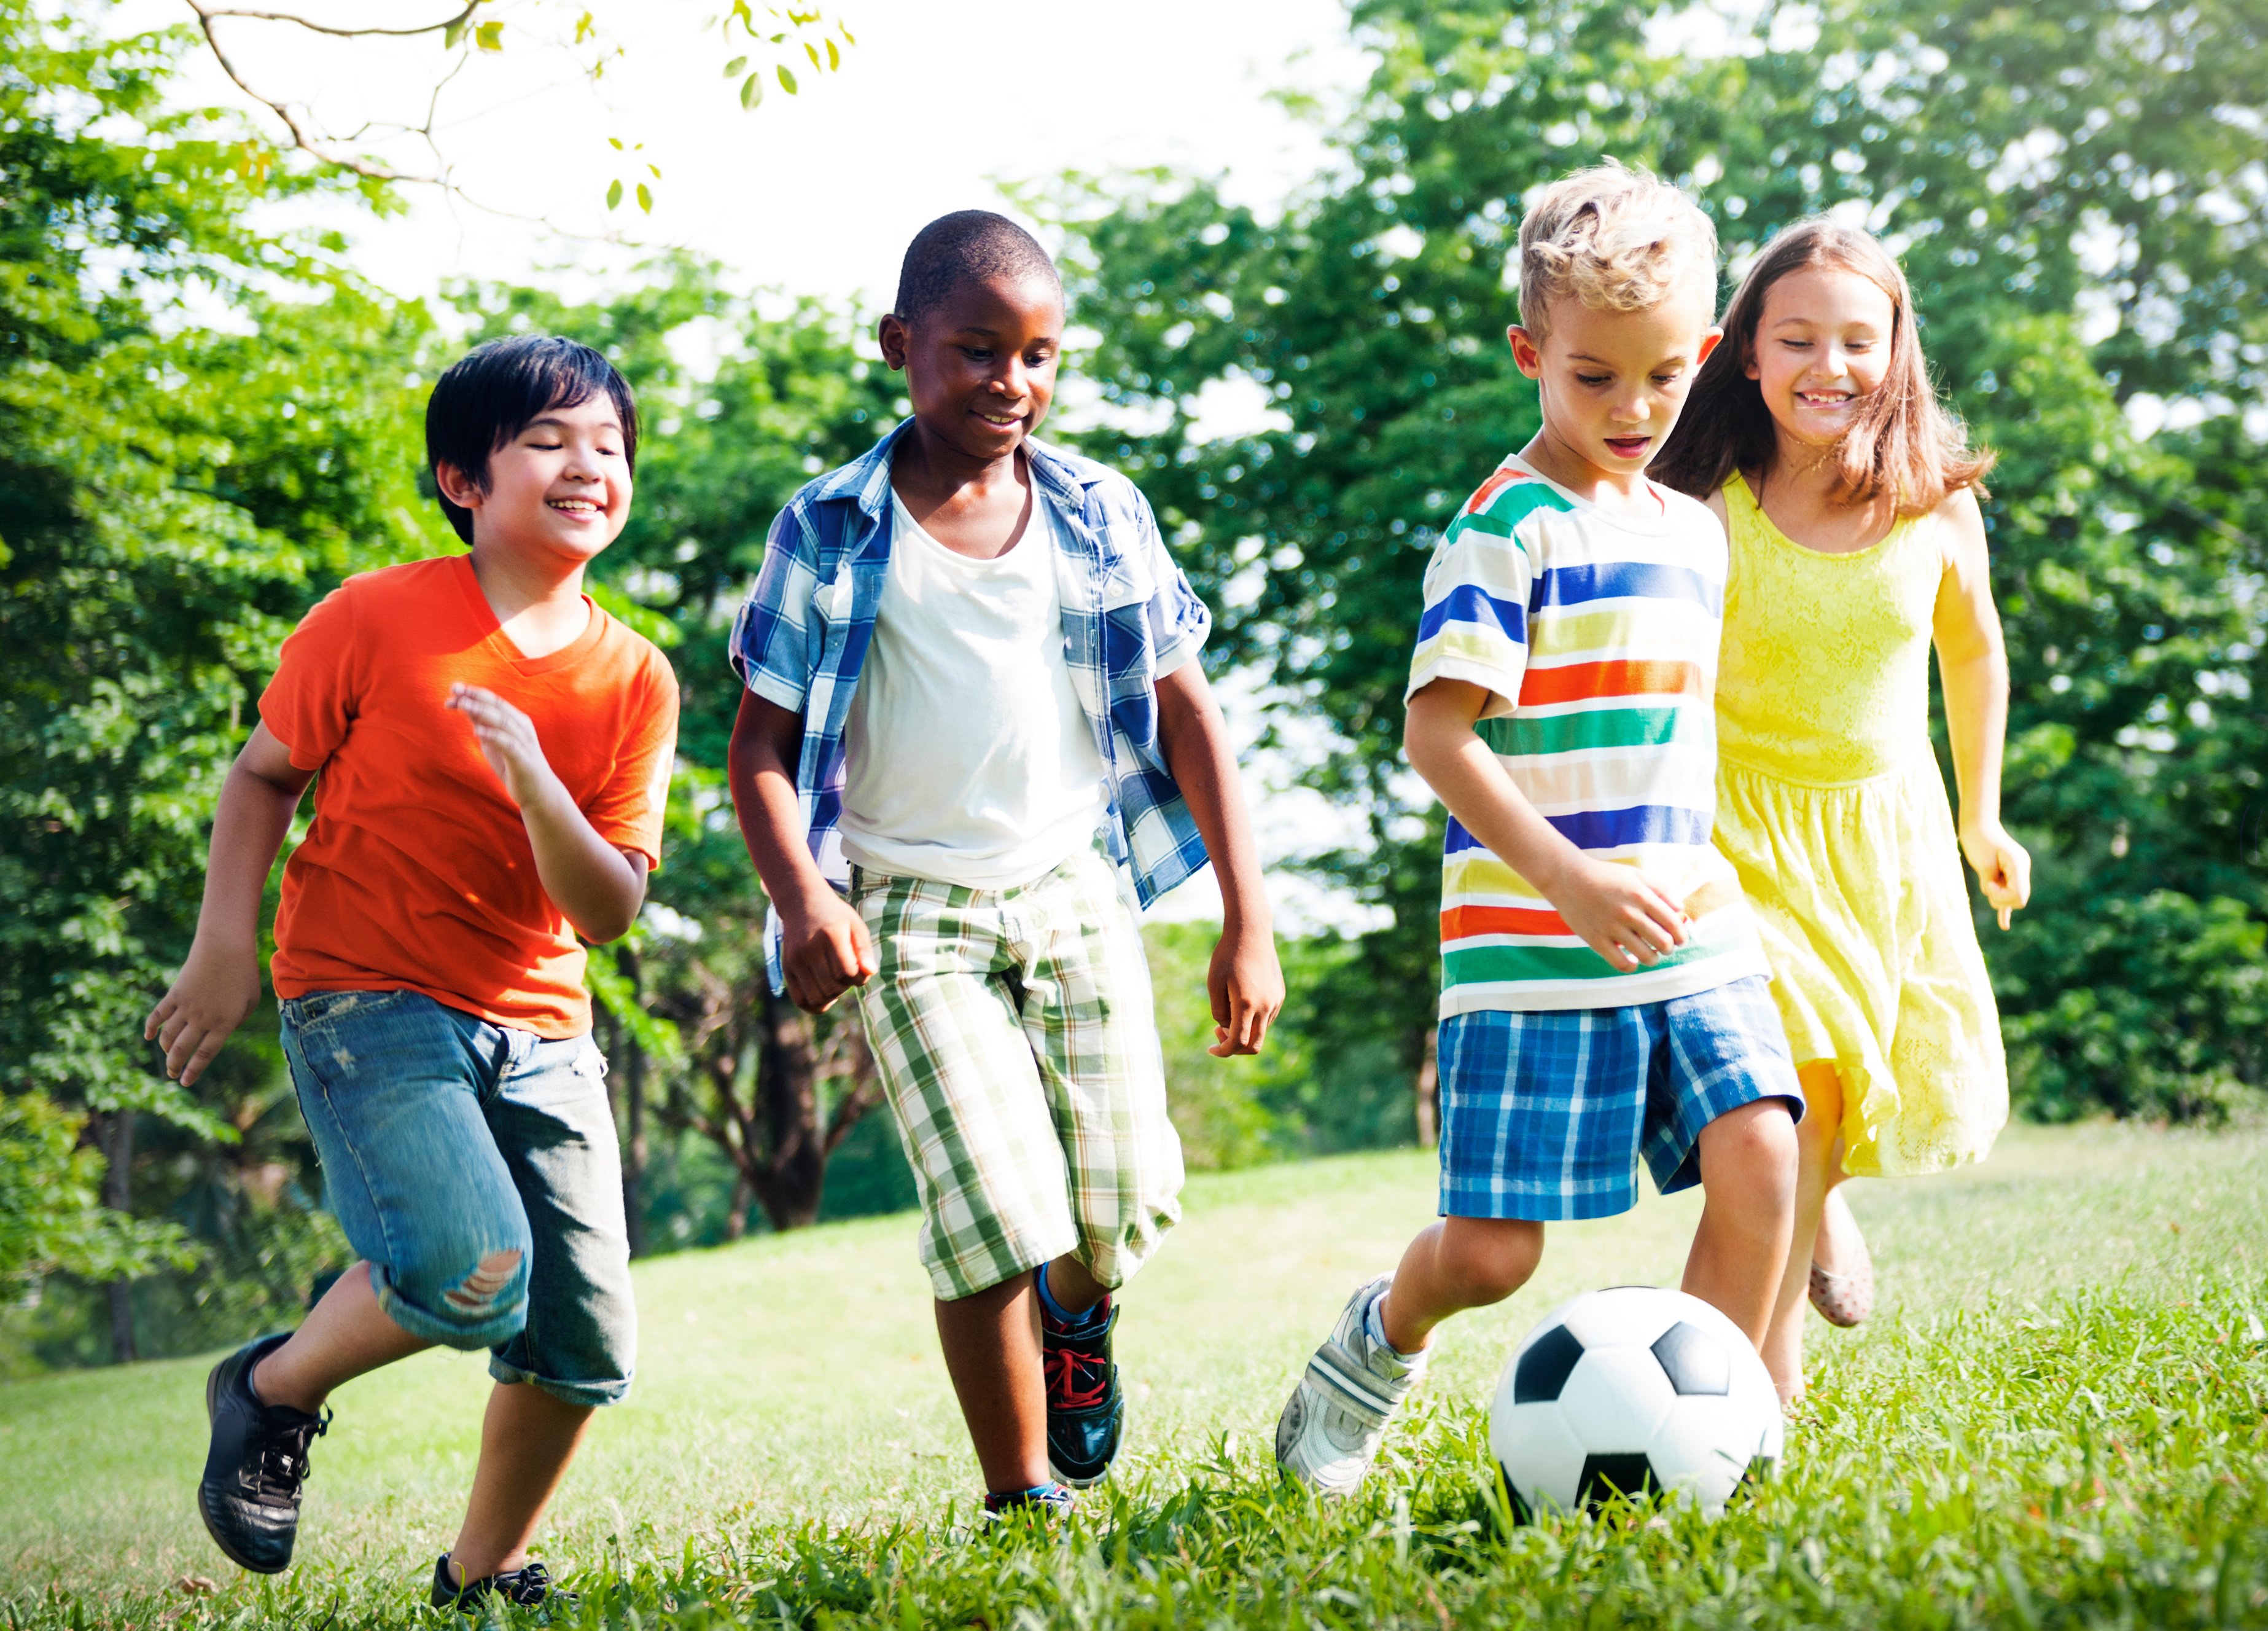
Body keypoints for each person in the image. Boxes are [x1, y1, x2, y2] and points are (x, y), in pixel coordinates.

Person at [726, 211, 1283, 1519]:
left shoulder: (1096, 510)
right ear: (898, 346)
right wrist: (802, 897)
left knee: (1120, 1204)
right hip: (906, 910)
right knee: (985, 1200)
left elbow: (1188, 709)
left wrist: (1244, 918)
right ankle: (1019, 1496)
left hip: (1073, 880)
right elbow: (758, 743)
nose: (1010, 384)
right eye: (977, 351)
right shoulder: (826, 526)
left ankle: (1074, 1316)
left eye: (1038, 356)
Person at [1274, 163, 1802, 1495]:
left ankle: (1712, 1433)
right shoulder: (1500, 529)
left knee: (1760, 1151)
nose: (1630, 411)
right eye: (1591, 378)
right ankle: (1366, 1347)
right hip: (1532, 941)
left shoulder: (1694, 532)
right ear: (1530, 355)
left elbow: (1677, 730)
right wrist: (1567, 879)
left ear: (1706, 361)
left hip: (1686, 919)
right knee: (1492, 1251)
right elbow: (1434, 736)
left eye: (1660, 377)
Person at [143, 335, 677, 1609]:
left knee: (584, 1335)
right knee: (470, 1268)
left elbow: (606, 905)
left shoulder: (634, 678)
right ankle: (269, 1387)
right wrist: (224, 949)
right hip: (364, 999)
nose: (584, 463)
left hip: (542, 1025)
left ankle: (481, 1572)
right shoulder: (377, 617)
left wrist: (542, 786)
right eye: (547, 439)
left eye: (607, 443)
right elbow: (264, 772)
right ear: (462, 477)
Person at [1650, 219, 2029, 1403]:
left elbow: (1971, 656)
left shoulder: (1935, 510)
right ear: (1746, 356)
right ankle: (1755, 1395)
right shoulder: (1708, 506)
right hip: (1733, 839)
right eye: (1797, 338)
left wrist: (1984, 819)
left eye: (1858, 340)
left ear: (1896, 351)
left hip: (1880, 836)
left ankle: (1820, 1217)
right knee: (1794, 1087)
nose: (1830, 365)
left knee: (1835, 1090)